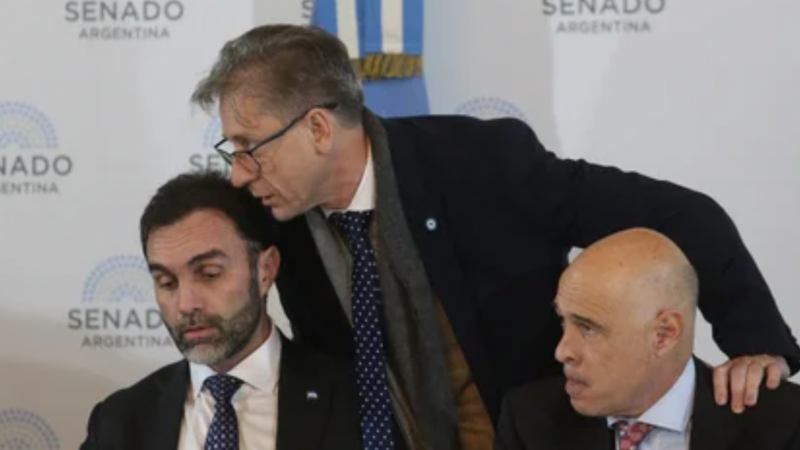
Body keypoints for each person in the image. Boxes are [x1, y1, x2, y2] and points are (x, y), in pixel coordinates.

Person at [189, 24, 800, 450]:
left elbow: (683, 215)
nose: (239, 170)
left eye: (249, 146)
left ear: (318, 127)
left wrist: (756, 343)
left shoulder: (480, 163)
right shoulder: (272, 216)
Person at [79, 171, 361, 450]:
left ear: (265, 270)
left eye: (209, 274)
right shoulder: (120, 422)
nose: (186, 304)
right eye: (167, 282)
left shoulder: (354, 401)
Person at [494, 228, 800, 450]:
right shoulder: (530, 421)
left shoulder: (782, 423)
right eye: (564, 321)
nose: (563, 351)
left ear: (664, 334)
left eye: (588, 328)